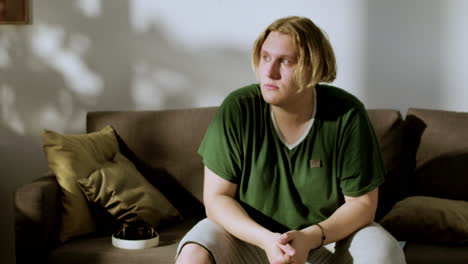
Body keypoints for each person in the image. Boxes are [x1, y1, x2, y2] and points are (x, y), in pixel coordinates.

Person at [175, 16, 406, 264]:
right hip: (251, 238)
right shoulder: (238, 109)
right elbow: (216, 198)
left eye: (285, 61)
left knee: (383, 250)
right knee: (193, 252)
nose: (269, 72)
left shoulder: (347, 114)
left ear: (313, 67)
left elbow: (362, 204)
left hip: (326, 241)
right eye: (265, 57)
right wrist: (266, 240)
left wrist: (310, 237)